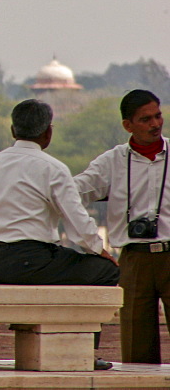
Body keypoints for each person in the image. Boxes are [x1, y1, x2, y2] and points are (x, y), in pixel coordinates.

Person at [0, 99, 118, 370]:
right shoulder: (53, 168)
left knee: (66, 265)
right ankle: (82, 349)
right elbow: (78, 222)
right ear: (48, 133)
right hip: (34, 260)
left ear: (13, 130)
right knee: (104, 271)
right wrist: (101, 251)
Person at [75, 89, 170, 364]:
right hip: (133, 258)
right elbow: (74, 192)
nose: (155, 124)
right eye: (145, 119)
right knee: (135, 342)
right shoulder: (113, 161)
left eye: (158, 116)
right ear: (127, 125)